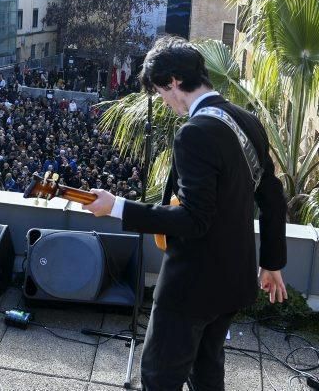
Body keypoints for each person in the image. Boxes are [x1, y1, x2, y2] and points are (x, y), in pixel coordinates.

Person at [83, 36, 288, 390]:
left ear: (173, 82)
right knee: (208, 372)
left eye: (160, 92)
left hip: (191, 288)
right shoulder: (247, 121)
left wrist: (116, 206)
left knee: (160, 377)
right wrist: (272, 262)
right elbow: (273, 196)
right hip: (233, 281)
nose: (163, 101)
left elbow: (193, 220)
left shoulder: (195, 134)